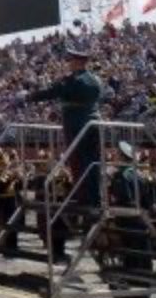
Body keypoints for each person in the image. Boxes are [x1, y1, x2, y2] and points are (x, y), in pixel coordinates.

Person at [27, 47, 105, 206]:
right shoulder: (96, 79)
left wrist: (30, 96)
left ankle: (84, 199)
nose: (68, 63)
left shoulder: (73, 80)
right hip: (94, 123)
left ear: (78, 62)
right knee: (92, 162)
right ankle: (95, 198)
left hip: (76, 124)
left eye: (70, 60)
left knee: (77, 162)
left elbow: (53, 92)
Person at [108, 141, 152, 298]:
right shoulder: (139, 174)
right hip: (142, 219)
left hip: (128, 220)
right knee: (143, 256)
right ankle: (144, 290)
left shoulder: (121, 175)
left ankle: (134, 292)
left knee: (131, 256)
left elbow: (123, 199)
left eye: (116, 155)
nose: (114, 157)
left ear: (121, 156)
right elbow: (148, 201)